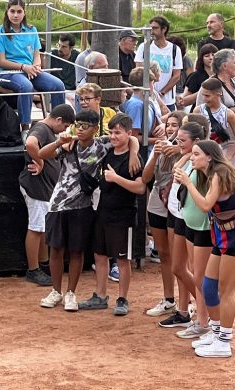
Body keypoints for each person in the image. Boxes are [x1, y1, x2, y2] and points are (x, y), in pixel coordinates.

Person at [39, 110, 140, 311]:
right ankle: (56, 291)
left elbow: (131, 139)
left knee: (77, 251)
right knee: (56, 249)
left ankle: (71, 294)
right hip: (58, 204)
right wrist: (60, 142)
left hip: (84, 206)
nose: (81, 129)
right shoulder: (70, 143)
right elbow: (41, 154)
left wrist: (134, 154)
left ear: (95, 129)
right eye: (78, 125)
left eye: (86, 125)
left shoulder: (103, 144)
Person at [78, 113, 145, 316]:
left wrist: (116, 178)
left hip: (123, 215)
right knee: (100, 254)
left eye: (118, 133)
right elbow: (131, 139)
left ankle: (122, 298)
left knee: (122, 259)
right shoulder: (107, 150)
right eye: (111, 132)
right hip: (103, 212)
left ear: (128, 133)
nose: (114, 136)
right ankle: (100, 295)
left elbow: (141, 188)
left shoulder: (135, 158)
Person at [175, 140, 235, 357]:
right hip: (222, 236)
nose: (192, 157)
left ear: (209, 156)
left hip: (232, 237)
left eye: (196, 154)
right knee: (209, 286)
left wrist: (188, 184)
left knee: (227, 291)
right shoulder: (210, 173)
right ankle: (217, 331)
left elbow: (205, 206)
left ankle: (224, 342)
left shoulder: (219, 173)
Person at [18, 104, 75, 286]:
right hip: (37, 187)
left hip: (43, 188)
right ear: (58, 120)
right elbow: (30, 144)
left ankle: (42, 265)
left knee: (41, 228)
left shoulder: (45, 129)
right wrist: (40, 161)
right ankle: (33, 269)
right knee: (36, 228)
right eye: (65, 126)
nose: (64, 130)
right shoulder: (42, 128)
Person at [158, 122, 207, 328]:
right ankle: (197, 309)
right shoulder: (187, 156)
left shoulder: (200, 160)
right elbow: (175, 169)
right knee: (178, 267)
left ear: (197, 141)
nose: (178, 144)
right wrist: (184, 152)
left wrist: (186, 155)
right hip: (180, 215)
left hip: (194, 221)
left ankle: (206, 314)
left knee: (196, 271)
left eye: (182, 141)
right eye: (177, 139)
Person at [0, 0, 65, 135]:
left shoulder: (32, 30)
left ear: (24, 13)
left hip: (30, 71)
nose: (15, 15)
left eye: (19, 11)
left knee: (58, 85)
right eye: (12, 11)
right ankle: (25, 128)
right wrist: (23, 67)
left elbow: (37, 55)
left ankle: (58, 127)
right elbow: (1, 61)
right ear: (7, 12)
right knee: (26, 87)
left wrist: (36, 65)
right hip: (9, 73)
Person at [142, 111, 185, 317]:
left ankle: (187, 303)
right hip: (157, 201)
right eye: (168, 124)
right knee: (164, 253)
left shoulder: (187, 150)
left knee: (180, 258)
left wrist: (177, 150)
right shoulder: (159, 147)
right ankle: (169, 299)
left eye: (174, 125)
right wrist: (157, 154)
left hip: (177, 204)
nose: (170, 128)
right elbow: (145, 177)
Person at [135, 15, 183, 112]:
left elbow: (176, 75)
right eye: (150, 28)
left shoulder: (174, 49)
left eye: (155, 28)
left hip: (168, 101)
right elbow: (138, 71)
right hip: (147, 98)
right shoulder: (143, 47)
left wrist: (162, 92)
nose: (152, 31)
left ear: (164, 29)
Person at [122, 67, 164, 146]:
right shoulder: (136, 105)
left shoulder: (148, 100)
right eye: (152, 83)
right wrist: (158, 140)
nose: (153, 87)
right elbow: (133, 137)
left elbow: (157, 121)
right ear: (147, 84)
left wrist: (162, 126)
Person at [194, 78, 235, 143]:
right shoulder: (198, 111)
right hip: (203, 150)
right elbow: (193, 134)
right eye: (203, 95)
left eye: (207, 96)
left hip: (222, 150)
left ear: (218, 94)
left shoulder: (229, 114)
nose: (204, 99)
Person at [179, 43, 218, 112]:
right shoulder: (195, 76)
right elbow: (184, 101)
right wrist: (202, 92)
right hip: (199, 113)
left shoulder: (220, 75)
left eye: (213, 55)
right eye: (207, 56)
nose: (211, 58)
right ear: (201, 59)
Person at [196, 49, 235, 113]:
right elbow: (205, 112)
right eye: (234, 63)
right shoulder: (209, 86)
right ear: (224, 66)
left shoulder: (233, 82)